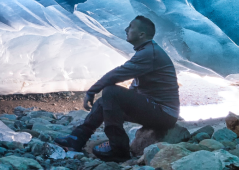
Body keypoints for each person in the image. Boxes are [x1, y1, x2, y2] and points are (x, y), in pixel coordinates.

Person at [55, 15, 180, 161]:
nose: (126, 29)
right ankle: (77, 138)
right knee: (105, 100)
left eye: (131, 26)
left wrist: (92, 90)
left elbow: (117, 74)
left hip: (164, 113)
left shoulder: (149, 53)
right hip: (154, 108)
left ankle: (118, 148)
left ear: (142, 34)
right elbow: (135, 86)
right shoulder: (147, 51)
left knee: (110, 91)